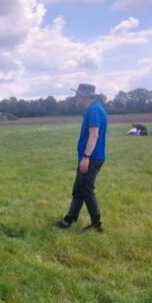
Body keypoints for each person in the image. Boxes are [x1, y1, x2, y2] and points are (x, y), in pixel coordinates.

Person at [57, 83, 107, 232]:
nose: (75, 97)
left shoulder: (94, 110)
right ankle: (69, 219)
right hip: (90, 156)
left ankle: (96, 224)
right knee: (79, 188)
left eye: (77, 94)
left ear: (84, 96)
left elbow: (94, 134)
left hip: (91, 157)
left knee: (86, 190)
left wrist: (86, 157)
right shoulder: (92, 109)